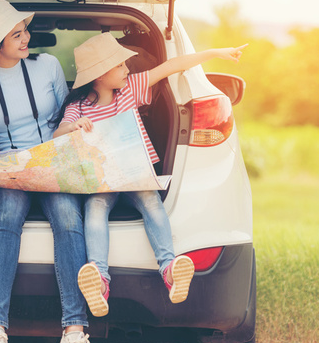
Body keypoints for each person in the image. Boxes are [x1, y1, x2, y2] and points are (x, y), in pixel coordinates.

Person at [52, 33, 246, 318]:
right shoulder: (78, 107)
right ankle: (99, 281)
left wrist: (216, 51)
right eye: (120, 65)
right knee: (94, 210)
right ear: (100, 74)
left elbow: (173, 66)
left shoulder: (131, 88)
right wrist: (73, 127)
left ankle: (169, 269)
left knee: (152, 202)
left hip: (135, 174)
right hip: (101, 180)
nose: (127, 69)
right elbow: (57, 134)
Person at [0, 0, 92, 343]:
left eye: (25, 30)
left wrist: (66, 135)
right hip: (9, 169)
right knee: (6, 217)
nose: (26, 38)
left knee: (69, 218)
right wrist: (10, 168)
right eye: (16, 34)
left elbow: (62, 116)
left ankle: (74, 331)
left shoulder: (48, 66)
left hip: (53, 160)